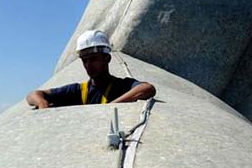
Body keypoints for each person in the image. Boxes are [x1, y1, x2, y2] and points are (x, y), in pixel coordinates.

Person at [27, 30, 156, 109]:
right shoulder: (79, 90)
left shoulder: (120, 86)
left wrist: (111, 106)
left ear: (107, 59)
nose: (88, 65)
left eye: (93, 59)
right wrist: (42, 104)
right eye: (85, 60)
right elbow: (33, 95)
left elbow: (147, 88)